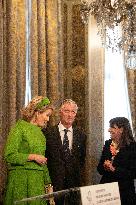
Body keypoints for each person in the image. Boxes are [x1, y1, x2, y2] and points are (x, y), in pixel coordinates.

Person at [4, 96, 55, 205]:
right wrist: (33, 157)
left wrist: (49, 185)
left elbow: (43, 162)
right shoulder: (20, 127)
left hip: (37, 183)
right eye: (47, 115)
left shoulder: (41, 134)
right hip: (20, 181)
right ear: (37, 113)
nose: (48, 119)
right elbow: (9, 155)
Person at [43, 99, 87, 205]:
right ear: (60, 112)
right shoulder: (47, 133)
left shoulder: (81, 135)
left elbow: (81, 160)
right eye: (67, 111)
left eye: (73, 112)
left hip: (74, 184)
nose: (70, 115)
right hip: (54, 183)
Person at [97, 117, 136, 205]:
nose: (109, 130)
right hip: (106, 192)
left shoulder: (133, 147)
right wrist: (104, 166)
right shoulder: (107, 144)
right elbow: (99, 169)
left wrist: (114, 169)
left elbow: (133, 173)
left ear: (121, 130)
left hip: (124, 193)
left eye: (112, 127)